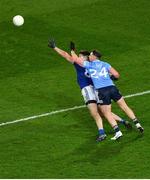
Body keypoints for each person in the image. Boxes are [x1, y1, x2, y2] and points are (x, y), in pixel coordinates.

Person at [48, 39, 128, 141]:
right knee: (104, 111)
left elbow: (65, 55)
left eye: (80, 56)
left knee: (95, 113)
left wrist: (55, 47)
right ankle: (122, 121)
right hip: (99, 89)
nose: (78, 57)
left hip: (87, 89)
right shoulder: (94, 64)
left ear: (85, 57)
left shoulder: (79, 63)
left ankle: (102, 133)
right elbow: (110, 75)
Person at [69, 47, 144, 134]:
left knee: (106, 112)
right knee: (124, 106)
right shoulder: (105, 64)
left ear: (94, 56)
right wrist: (111, 77)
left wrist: (72, 51)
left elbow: (76, 60)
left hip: (103, 91)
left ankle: (118, 132)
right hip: (113, 88)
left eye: (90, 55)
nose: (89, 56)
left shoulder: (89, 65)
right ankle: (137, 124)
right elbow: (116, 75)